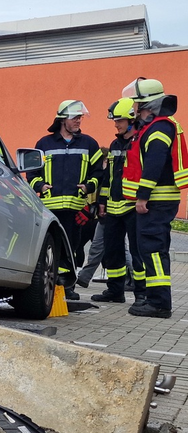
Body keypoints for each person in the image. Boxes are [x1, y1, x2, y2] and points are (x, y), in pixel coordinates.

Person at [121, 78, 188, 318]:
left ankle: (159, 303)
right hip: (159, 199)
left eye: (137, 105)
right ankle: (154, 298)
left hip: (156, 200)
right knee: (151, 249)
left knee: (154, 249)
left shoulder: (159, 128)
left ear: (147, 105)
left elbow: (154, 164)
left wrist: (142, 197)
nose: (135, 110)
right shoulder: (158, 127)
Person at [27, 100, 104, 300]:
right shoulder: (44, 144)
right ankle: (51, 286)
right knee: (52, 247)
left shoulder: (89, 143)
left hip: (75, 209)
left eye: (80, 117)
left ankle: (67, 286)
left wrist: (89, 186)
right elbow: (32, 172)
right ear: (63, 120)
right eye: (75, 117)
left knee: (72, 248)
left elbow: (99, 172)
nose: (79, 121)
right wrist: (40, 185)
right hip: (50, 209)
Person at [89, 98, 145, 305]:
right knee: (112, 251)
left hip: (132, 206)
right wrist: (102, 201)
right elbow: (108, 177)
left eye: (119, 121)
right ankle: (115, 291)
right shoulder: (115, 144)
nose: (116, 124)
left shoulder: (140, 141)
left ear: (131, 120)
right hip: (112, 207)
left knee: (138, 252)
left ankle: (141, 294)